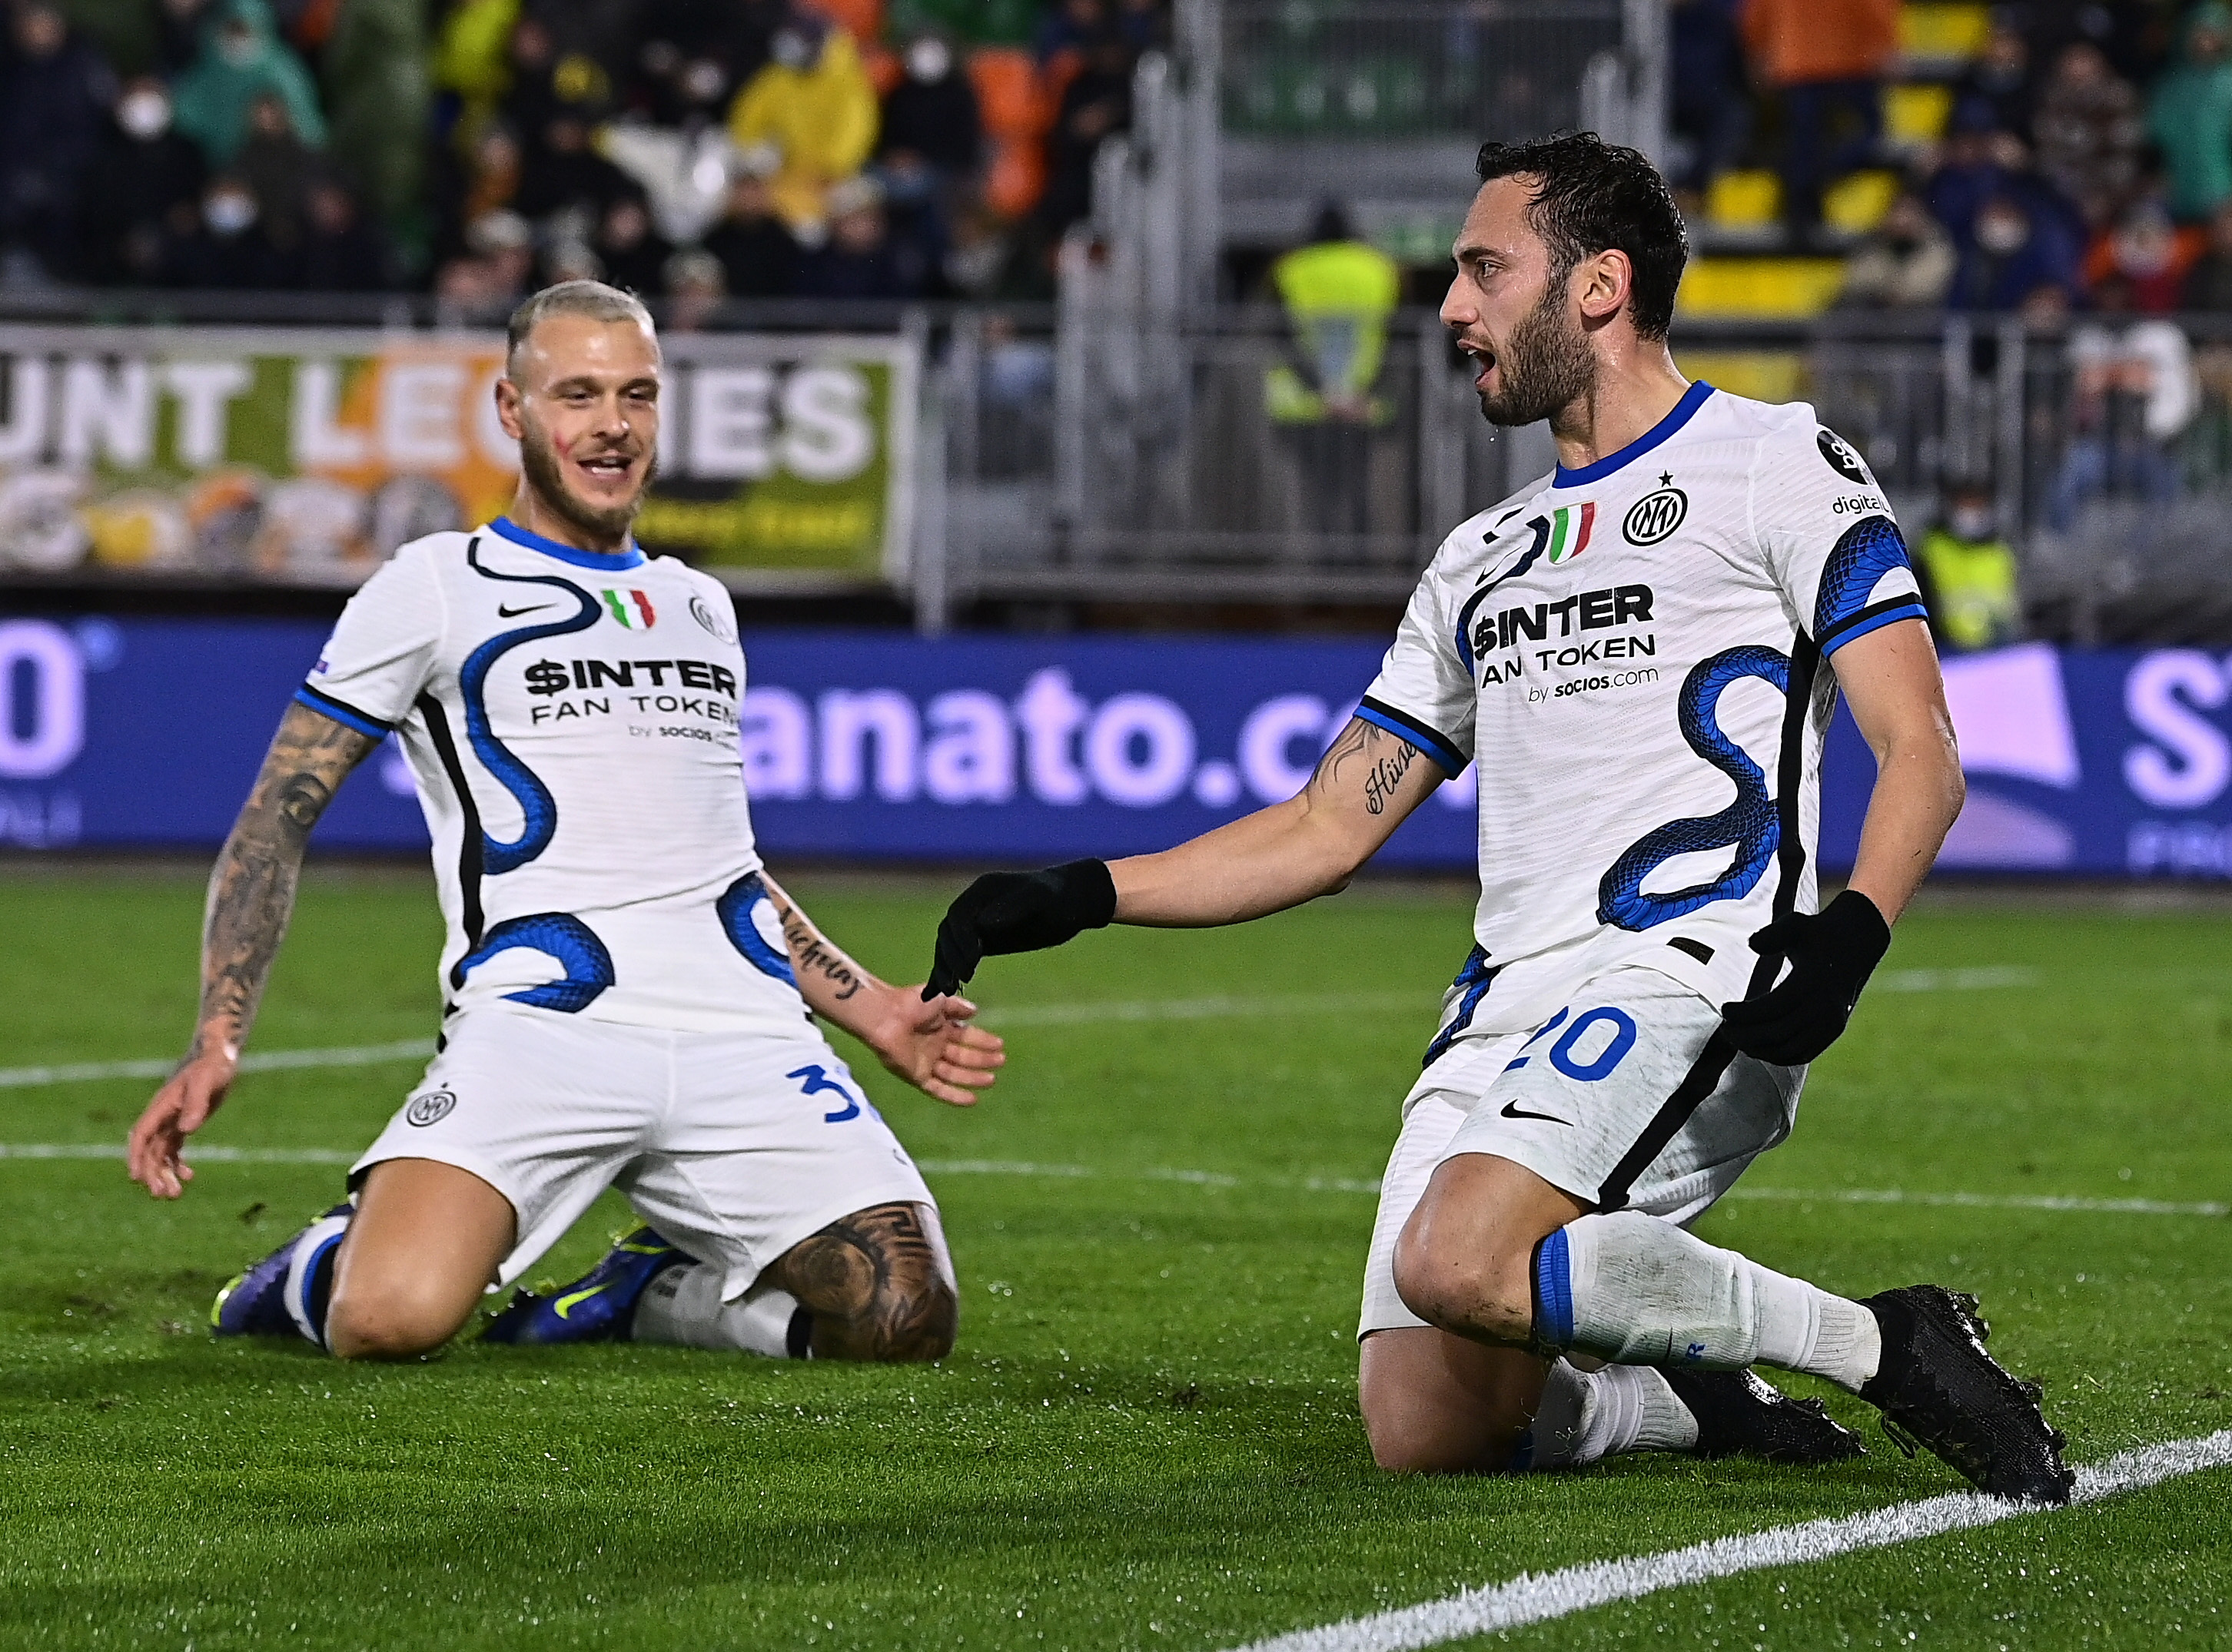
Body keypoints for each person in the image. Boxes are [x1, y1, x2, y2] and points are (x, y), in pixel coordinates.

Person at [920, 133, 2074, 1503]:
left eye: (1483, 271)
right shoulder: (1481, 556)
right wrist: (1081, 891)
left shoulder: (1774, 460)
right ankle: (1680, 1395)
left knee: (1458, 1259)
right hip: (1501, 1006)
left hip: (1689, 970)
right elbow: (1325, 825)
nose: (1451, 309)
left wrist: (1851, 933)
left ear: (1597, 286)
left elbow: (1919, 742)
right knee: (1426, 1426)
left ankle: (1886, 1344)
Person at [125, 281, 1006, 1365]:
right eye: (578, 394)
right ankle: (320, 1262)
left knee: (904, 1314)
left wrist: (874, 1008)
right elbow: (276, 817)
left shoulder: (699, 605)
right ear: (513, 408)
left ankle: (649, 1291)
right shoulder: (436, 584)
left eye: (638, 394)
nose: (613, 425)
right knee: (387, 1319)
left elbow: (722, 866)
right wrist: (218, 1036)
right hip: (545, 1024)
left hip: (741, 1032)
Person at [1264, 201, 1401, 542]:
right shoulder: (1378, 268)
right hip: (1363, 403)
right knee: (1357, 488)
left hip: (1308, 406)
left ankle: (1325, 556)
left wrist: (1321, 391)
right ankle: (1359, 557)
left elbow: (1281, 337)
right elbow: (1393, 335)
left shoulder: (1291, 270)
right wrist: (1362, 393)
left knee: (1317, 491)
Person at [1739, 0, 1898, 242]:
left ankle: (1804, 204)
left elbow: (1756, 14)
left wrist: (1760, 50)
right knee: (1868, 137)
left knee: (1804, 149)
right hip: (1850, 63)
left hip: (1799, 63)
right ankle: (1818, 181)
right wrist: (1885, 43)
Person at [2147, 2, 2232, 223]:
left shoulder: (2228, 83)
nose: (2203, 41)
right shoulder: (2169, 87)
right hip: (2177, 193)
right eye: (2197, 33)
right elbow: (2154, 138)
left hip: (2222, 194)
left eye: (2211, 33)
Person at [1914, 482, 2021, 653]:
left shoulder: (2000, 550)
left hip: (1997, 648)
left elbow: (2011, 605)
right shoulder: (1931, 547)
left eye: (1978, 505)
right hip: (1945, 648)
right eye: (1966, 504)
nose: (1972, 513)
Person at [1835, 190, 1955, 310]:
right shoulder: (1870, 248)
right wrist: (1883, 292)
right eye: (1897, 213)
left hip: (1923, 316)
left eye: (1909, 213)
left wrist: (1902, 293)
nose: (1902, 220)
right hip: (1872, 314)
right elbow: (1855, 279)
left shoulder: (1938, 250)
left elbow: (1936, 286)